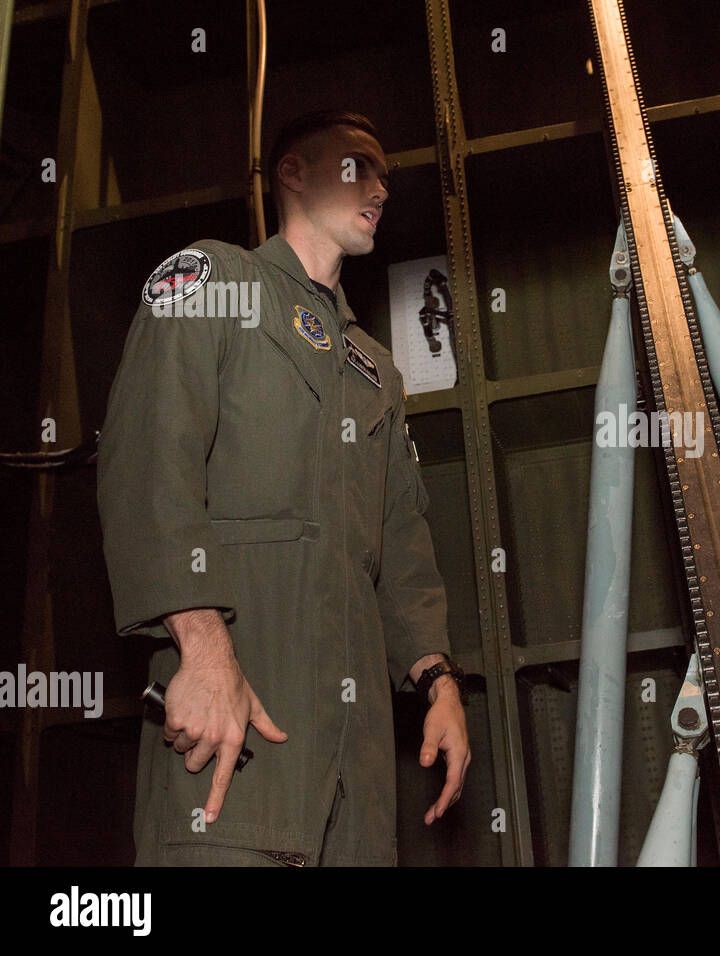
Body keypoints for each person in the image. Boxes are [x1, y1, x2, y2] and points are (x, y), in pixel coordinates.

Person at [98, 110, 470, 866]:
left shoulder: (375, 367)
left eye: (385, 177)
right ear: (291, 174)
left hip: (355, 767)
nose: (378, 188)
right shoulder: (211, 280)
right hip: (237, 723)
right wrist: (201, 652)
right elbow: (148, 463)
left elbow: (402, 543)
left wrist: (439, 681)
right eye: (357, 166)